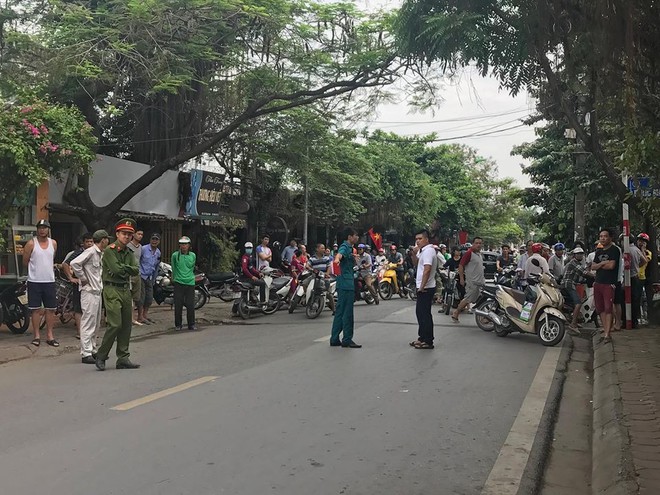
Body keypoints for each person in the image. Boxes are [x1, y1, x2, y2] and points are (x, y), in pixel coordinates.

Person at [96, 218, 141, 371]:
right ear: (117, 234)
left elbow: (136, 270)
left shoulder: (129, 252)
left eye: (129, 234)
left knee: (126, 325)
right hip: (111, 289)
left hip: (124, 289)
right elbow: (116, 270)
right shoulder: (110, 250)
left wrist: (125, 268)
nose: (127, 237)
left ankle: (123, 357)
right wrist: (127, 268)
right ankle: (101, 355)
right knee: (115, 324)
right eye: (124, 234)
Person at [70, 230, 109, 364]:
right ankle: (86, 352)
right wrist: (83, 278)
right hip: (89, 292)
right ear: (103, 240)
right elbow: (75, 263)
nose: (107, 241)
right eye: (106, 239)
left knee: (96, 323)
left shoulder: (100, 253)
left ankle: (92, 349)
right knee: (88, 322)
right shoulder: (91, 251)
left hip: (97, 292)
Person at [23, 219, 59, 347]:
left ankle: (50, 335)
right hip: (35, 281)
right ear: (37, 229)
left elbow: (51, 258)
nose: (42, 230)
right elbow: (25, 261)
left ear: (48, 229)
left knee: (51, 309)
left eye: (45, 227)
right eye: (40, 227)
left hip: (49, 280)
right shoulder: (31, 244)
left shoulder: (53, 243)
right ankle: (36, 335)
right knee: (35, 309)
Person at [330, 228, 361, 348]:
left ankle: (334, 338)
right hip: (347, 283)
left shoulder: (349, 249)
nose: (357, 238)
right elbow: (339, 254)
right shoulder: (345, 246)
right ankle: (347, 339)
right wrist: (337, 259)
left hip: (342, 282)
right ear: (350, 237)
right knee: (347, 313)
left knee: (340, 311)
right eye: (356, 235)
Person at [590, 228, 621, 343]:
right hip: (598, 282)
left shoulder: (614, 250)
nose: (602, 238)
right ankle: (605, 329)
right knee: (600, 308)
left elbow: (611, 266)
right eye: (601, 236)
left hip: (609, 283)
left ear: (610, 237)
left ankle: (608, 334)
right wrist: (603, 263)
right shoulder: (599, 251)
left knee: (608, 308)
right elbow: (593, 266)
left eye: (605, 236)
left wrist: (600, 264)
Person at [62, 232, 94, 337]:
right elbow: (65, 264)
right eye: (87, 242)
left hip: (92, 284)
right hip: (79, 283)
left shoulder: (95, 252)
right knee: (79, 308)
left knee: (90, 308)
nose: (89, 244)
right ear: (83, 243)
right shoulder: (78, 253)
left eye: (91, 241)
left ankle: (89, 332)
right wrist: (71, 278)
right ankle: (80, 332)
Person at [409, 229, 437, 349]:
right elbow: (416, 264)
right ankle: (422, 337)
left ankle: (428, 340)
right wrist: (414, 254)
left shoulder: (429, 251)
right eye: (416, 239)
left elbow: (427, 269)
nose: (418, 241)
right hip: (422, 286)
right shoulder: (423, 251)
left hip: (426, 287)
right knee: (420, 313)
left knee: (425, 314)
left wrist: (422, 287)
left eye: (420, 239)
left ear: (426, 239)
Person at [452, 237, 486, 323]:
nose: (478, 245)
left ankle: (483, 317)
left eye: (480, 243)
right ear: (473, 244)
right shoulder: (468, 253)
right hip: (472, 281)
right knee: (468, 299)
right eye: (476, 243)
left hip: (480, 281)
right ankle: (456, 312)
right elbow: (461, 265)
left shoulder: (479, 254)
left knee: (481, 299)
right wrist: (462, 279)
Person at [561, 247, 590, 334]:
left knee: (575, 303)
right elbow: (584, 273)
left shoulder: (578, 263)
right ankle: (573, 324)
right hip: (569, 284)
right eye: (578, 254)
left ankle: (574, 321)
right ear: (574, 255)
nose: (580, 255)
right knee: (578, 303)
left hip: (571, 284)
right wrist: (596, 276)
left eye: (581, 254)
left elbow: (582, 276)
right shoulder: (573, 263)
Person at [171, 236, 197, 331]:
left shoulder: (193, 255)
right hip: (178, 282)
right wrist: (173, 278)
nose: (183, 246)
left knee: (190, 305)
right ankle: (178, 324)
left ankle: (191, 324)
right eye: (182, 244)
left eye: (185, 244)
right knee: (178, 305)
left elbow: (192, 267)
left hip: (190, 282)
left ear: (189, 245)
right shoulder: (175, 255)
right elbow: (173, 267)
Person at [233, 242, 267, 314]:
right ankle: (262, 301)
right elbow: (245, 269)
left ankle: (235, 310)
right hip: (246, 278)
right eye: (247, 248)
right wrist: (252, 276)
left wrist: (258, 273)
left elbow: (252, 268)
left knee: (244, 294)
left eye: (250, 248)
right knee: (262, 283)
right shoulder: (245, 258)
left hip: (247, 277)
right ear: (245, 249)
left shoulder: (250, 257)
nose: (249, 249)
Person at [305, 243, 336, 313]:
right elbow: (307, 265)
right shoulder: (312, 258)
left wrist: (327, 274)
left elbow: (329, 267)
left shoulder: (326, 258)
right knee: (304, 283)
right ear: (317, 249)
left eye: (324, 248)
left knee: (328, 293)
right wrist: (311, 269)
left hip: (324, 277)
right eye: (322, 248)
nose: (323, 250)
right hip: (314, 277)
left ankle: (334, 309)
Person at [138, 234, 161, 324]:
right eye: (153, 239)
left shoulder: (158, 252)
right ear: (150, 239)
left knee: (149, 298)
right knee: (141, 297)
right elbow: (138, 260)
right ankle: (140, 316)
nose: (154, 241)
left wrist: (154, 279)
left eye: (156, 239)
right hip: (141, 275)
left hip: (150, 277)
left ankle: (145, 315)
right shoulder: (144, 249)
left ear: (159, 241)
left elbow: (156, 266)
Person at [628, 235, 647, 328]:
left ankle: (631, 320)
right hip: (636, 276)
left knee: (632, 299)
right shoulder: (636, 250)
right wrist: (637, 267)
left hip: (632, 277)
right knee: (635, 299)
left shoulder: (627, 250)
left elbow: (645, 260)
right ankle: (634, 320)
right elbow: (644, 260)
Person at [127, 229, 144, 326]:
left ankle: (133, 318)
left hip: (138, 273)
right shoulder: (128, 245)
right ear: (133, 235)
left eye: (142, 234)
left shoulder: (140, 247)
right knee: (128, 298)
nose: (140, 236)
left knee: (135, 298)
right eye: (138, 234)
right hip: (129, 274)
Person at [637, 233, 652, 325]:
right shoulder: (634, 250)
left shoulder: (647, 253)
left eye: (643, 242)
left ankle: (643, 316)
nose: (641, 243)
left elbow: (643, 262)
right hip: (632, 276)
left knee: (642, 298)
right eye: (639, 241)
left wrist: (642, 250)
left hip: (641, 276)